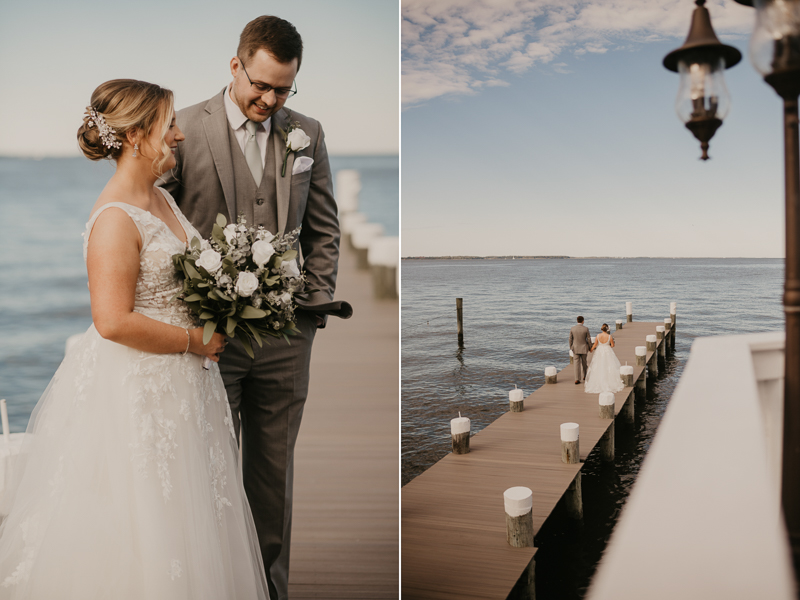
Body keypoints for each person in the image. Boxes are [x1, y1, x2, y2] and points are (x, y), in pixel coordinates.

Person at [0, 79, 269, 599]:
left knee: (198, 521)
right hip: (144, 393)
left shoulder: (162, 199)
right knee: (151, 525)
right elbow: (112, 321)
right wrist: (195, 340)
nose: (179, 135)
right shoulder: (116, 218)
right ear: (136, 135)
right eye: (168, 124)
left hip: (188, 390)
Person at [157, 16, 347, 600]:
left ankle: (270, 591)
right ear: (235, 66)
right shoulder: (184, 128)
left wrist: (311, 307)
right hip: (211, 341)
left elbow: (323, 229)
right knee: (211, 472)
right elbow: (159, 231)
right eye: (260, 85)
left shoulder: (307, 133)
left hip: (288, 339)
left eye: (283, 89)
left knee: (273, 479)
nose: (269, 99)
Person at [584, 323, 624, 394]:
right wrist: (607, 346)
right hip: (607, 351)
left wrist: (591, 349)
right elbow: (612, 345)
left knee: (599, 365)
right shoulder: (609, 336)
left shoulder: (598, 336)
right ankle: (609, 381)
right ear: (607, 329)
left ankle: (598, 381)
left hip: (599, 351)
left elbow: (595, 344)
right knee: (609, 365)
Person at [569, 316, 593, 385]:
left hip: (575, 348)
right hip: (584, 348)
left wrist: (571, 347)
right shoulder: (585, 329)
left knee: (576, 364)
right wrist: (590, 347)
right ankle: (585, 376)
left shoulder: (572, 329)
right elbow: (589, 339)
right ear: (583, 321)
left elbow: (570, 339)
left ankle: (577, 379)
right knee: (584, 363)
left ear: (577, 321)